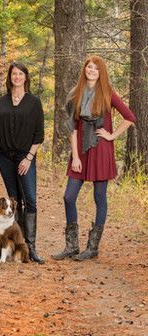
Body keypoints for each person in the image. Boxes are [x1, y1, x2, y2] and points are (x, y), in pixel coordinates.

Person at [52, 56, 136, 261]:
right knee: (68, 196)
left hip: (101, 149)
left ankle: (92, 247)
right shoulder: (76, 93)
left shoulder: (108, 93)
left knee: (99, 197)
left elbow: (130, 117)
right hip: (80, 148)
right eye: (89, 67)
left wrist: (112, 135)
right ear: (85, 69)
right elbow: (72, 127)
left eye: (95, 68)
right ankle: (71, 245)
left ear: (101, 72)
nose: (91, 70)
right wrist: (75, 156)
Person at [0, 62, 45, 264]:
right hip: (5, 157)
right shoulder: (1, 103)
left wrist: (29, 158)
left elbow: (39, 134)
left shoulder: (34, 102)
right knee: (15, 201)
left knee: (30, 199)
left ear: (26, 77)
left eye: (20, 74)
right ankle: (17, 244)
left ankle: (31, 247)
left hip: (25, 156)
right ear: (10, 77)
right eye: (13, 74)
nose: (16, 77)